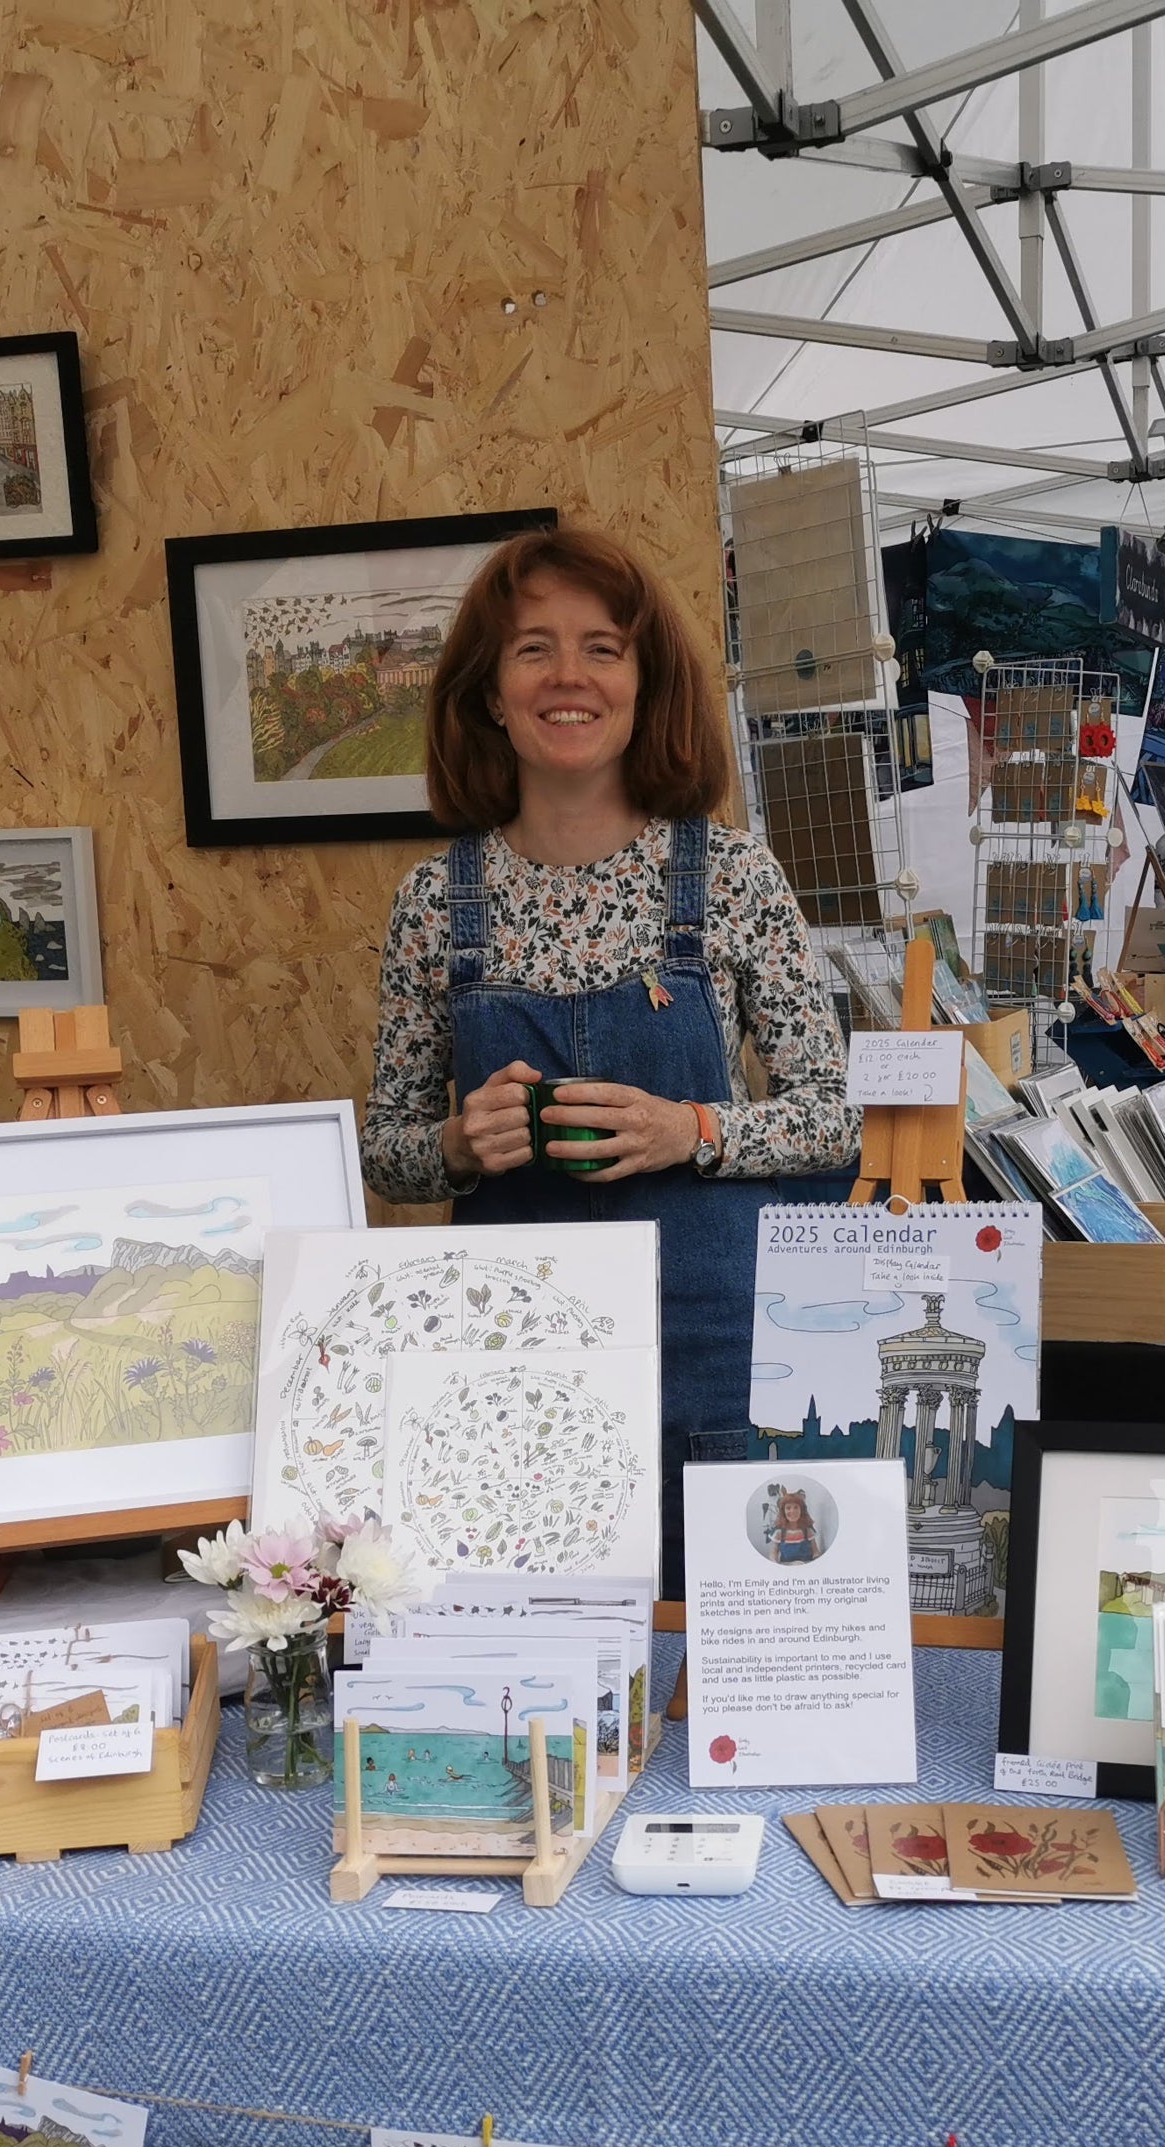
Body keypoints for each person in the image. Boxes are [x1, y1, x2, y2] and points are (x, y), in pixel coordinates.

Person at [364, 526, 860, 1583]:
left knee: (714, 1637)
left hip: (713, 1343)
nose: (567, 676)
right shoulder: (432, 902)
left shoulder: (730, 875)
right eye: (531, 649)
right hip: (513, 1356)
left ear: (643, 683)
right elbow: (384, 1152)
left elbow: (833, 1120)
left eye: (601, 647)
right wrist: (458, 1143)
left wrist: (692, 1128)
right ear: (490, 693)